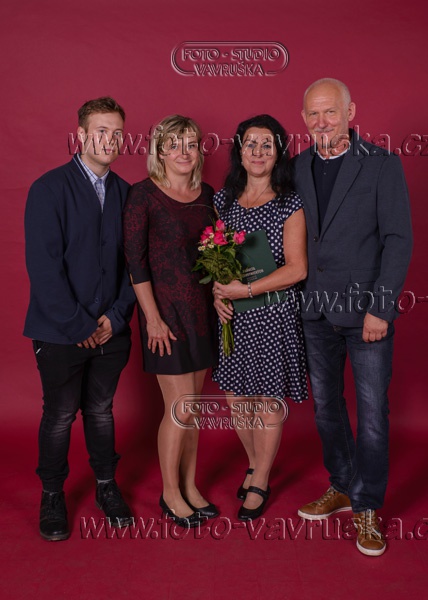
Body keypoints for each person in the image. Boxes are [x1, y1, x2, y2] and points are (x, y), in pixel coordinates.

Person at [293, 78, 413, 556]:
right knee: (325, 408)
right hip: (314, 311)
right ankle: (342, 485)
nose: (322, 121)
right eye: (313, 113)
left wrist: (381, 308)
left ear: (350, 112)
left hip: (367, 314)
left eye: (331, 111)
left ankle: (366, 507)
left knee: (372, 416)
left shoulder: (382, 164)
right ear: (304, 119)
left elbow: (398, 240)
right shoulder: (297, 166)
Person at [24, 97, 136, 541]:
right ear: (81, 135)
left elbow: (135, 266)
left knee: (101, 411)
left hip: (111, 331)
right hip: (59, 333)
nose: (110, 140)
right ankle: (52, 494)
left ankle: (106, 486)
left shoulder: (127, 193)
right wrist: (81, 325)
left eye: (117, 133)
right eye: (101, 131)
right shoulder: (48, 189)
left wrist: (115, 317)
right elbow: (44, 269)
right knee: (59, 414)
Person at [123, 114, 218, 528]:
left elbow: (214, 255)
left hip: (202, 314)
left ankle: (190, 486)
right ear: (159, 151)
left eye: (191, 144)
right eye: (174, 144)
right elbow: (135, 263)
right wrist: (153, 320)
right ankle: (170, 493)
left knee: (193, 408)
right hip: (165, 316)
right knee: (179, 408)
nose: (184, 152)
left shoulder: (206, 194)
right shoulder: (142, 195)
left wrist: (223, 295)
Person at [212, 114, 308, 521]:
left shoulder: (289, 202)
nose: (258, 151)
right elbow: (217, 259)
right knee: (237, 397)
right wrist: (218, 293)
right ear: (239, 151)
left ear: (278, 153)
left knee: (266, 399)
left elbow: (297, 269)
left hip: (272, 314)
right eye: (250, 143)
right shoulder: (224, 200)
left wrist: (246, 290)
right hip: (234, 315)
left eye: (267, 145)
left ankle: (261, 480)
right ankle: (254, 463)